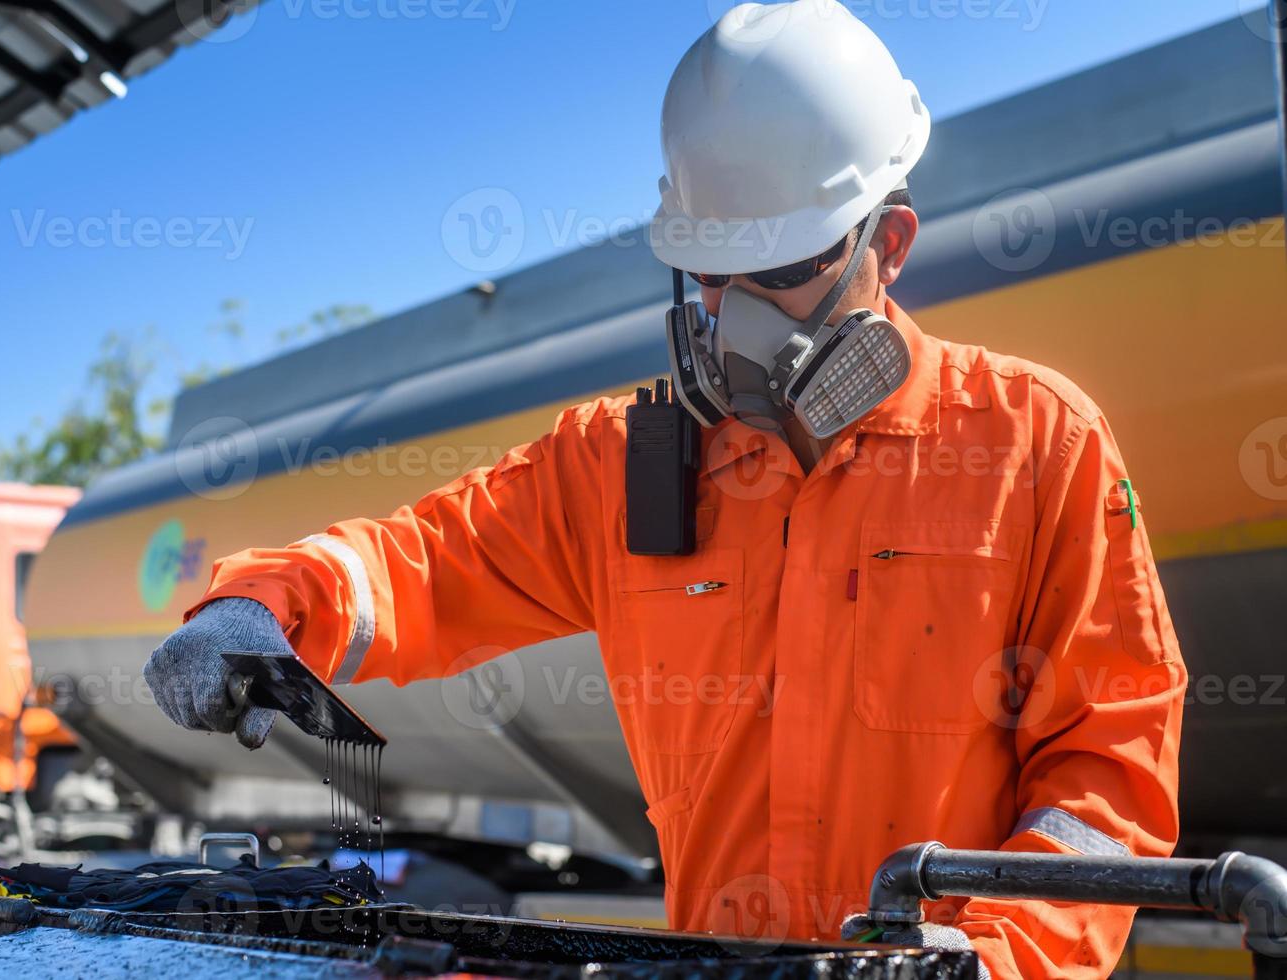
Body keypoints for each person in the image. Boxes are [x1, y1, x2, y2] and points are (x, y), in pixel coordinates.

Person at [144, 4, 1187, 977]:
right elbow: (424, 559)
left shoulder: (1033, 441)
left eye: (779, 269)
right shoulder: (621, 465)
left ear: (890, 247)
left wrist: (993, 958)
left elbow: (1110, 763)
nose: (736, 318)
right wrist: (264, 605)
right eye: (710, 272)